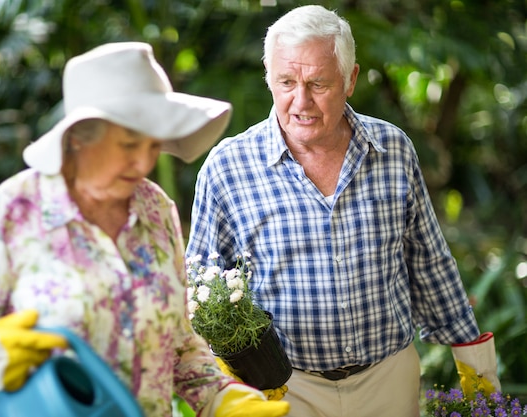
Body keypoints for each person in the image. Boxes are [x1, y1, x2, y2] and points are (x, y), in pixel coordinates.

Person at [0, 42, 290, 417]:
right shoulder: (8, 216)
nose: (143, 162)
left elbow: (176, 342)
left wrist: (220, 396)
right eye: (128, 144)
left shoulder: (155, 209)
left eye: (153, 145)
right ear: (77, 137)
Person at [185, 5, 500, 417]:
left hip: (388, 379)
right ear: (268, 76)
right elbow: (198, 291)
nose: (302, 101)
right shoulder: (227, 167)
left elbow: (428, 262)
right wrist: (220, 388)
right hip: (282, 388)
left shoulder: (393, 151)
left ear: (350, 80)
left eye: (318, 83)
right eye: (286, 82)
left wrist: (478, 381)